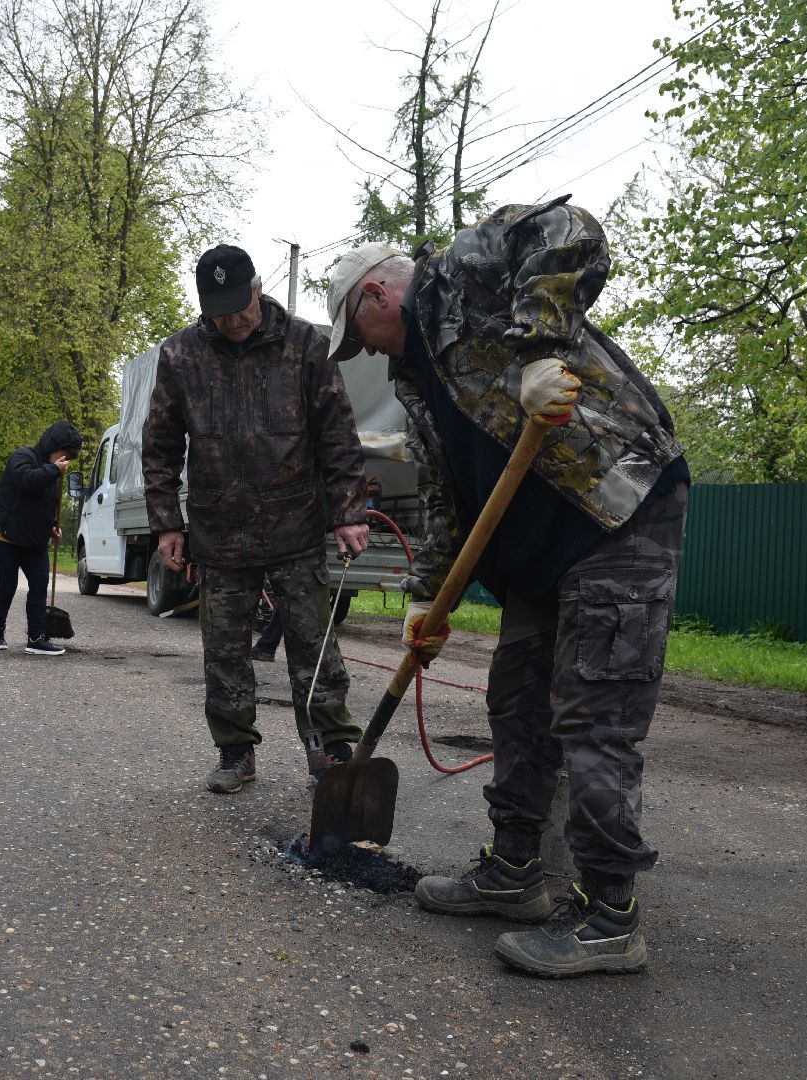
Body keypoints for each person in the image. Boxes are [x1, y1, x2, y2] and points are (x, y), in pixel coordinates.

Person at [326, 197, 689, 978]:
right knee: (517, 709)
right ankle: (514, 871)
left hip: (613, 515)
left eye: (358, 335)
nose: (363, 351)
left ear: (378, 296)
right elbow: (444, 498)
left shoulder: (461, 275)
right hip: (533, 561)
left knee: (593, 715)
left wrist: (540, 352)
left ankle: (610, 916)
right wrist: (429, 598)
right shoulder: (418, 379)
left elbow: (569, 229)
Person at [144, 244, 371, 794]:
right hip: (218, 531)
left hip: (294, 524)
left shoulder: (305, 345)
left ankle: (333, 749)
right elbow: (160, 446)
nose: (232, 319)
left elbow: (338, 434)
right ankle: (235, 752)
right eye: (218, 310)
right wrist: (167, 523)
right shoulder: (181, 356)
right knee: (223, 649)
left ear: (258, 287)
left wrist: (348, 511)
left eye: (239, 305)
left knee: (313, 645)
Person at [0, 420, 82, 657]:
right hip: (5, 535)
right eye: (64, 454)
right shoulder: (23, 456)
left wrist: (52, 527)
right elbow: (26, 481)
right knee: (7, 586)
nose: (65, 460)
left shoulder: (53, 472)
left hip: (34, 541)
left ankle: (36, 638)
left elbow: (44, 505)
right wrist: (55, 471)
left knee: (39, 587)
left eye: (69, 457)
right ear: (52, 445)